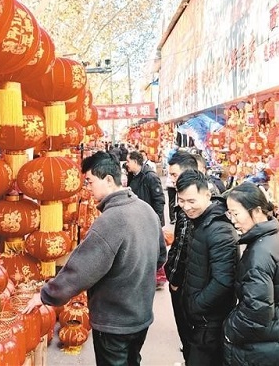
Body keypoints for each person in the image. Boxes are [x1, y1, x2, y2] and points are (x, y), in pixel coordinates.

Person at [22, 151, 167, 366]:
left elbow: (80, 271)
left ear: (109, 179)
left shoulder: (110, 220)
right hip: (141, 315)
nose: (87, 189)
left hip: (114, 321)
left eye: (90, 181)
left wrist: (45, 296)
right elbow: (160, 257)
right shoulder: (146, 210)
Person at [223, 183, 279, 366]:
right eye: (230, 214)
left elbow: (256, 312)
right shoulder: (277, 236)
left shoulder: (258, 254)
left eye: (236, 213)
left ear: (256, 211)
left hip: (264, 345)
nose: (233, 220)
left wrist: (229, 330)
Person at [175, 169, 238, 366]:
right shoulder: (200, 222)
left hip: (210, 322)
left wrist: (196, 306)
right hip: (200, 319)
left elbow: (223, 280)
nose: (186, 207)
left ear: (207, 195)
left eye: (192, 201)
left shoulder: (219, 230)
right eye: (182, 200)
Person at [163, 151, 198, 361]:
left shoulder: (188, 206)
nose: (172, 180)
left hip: (186, 284)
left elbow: (182, 246)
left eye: (174, 175)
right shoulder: (186, 202)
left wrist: (173, 279)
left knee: (189, 335)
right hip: (193, 283)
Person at [125, 150, 166, 226]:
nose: (126, 164)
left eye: (128, 161)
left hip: (149, 220)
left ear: (135, 162)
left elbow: (159, 200)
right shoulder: (131, 175)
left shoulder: (150, 177)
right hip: (137, 218)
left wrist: (157, 222)